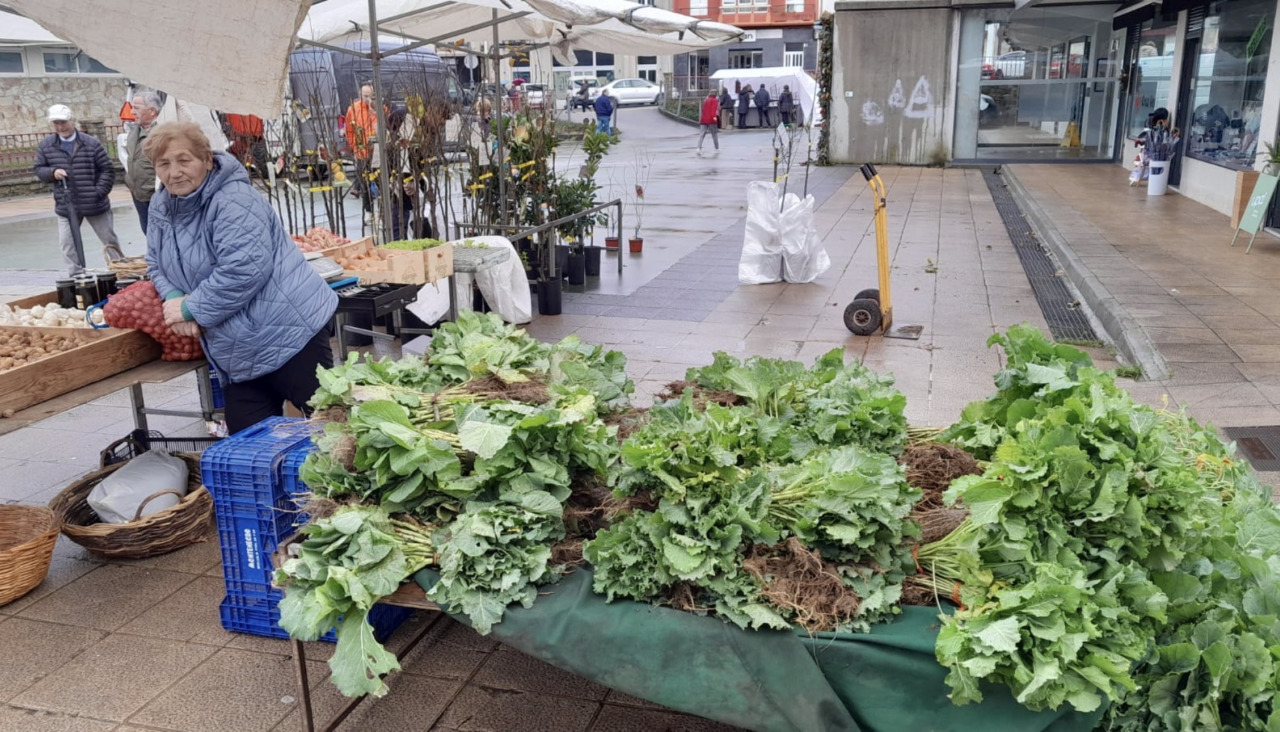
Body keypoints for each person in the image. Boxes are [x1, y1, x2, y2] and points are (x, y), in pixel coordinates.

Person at [144, 122, 338, 434]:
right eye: (163, 164)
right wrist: (173, 297)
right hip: (236, 350)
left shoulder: (233, 199)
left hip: (289, 332)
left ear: (207, 160)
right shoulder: (161, 206)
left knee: (333, 430)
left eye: (184, 160)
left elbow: (244, 269)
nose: (174, 172)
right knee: (250, 447)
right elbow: (155, 262)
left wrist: (190, 308)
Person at [33, 104, 121, 275]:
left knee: (109, 239)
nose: (60, 127)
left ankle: (119, 270)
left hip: (94, 203)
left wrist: (98, 192)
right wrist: (52, 172)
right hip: (66, 204)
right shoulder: (46, 146)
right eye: (56, 123)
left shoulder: (91, 143)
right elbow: (38, 169)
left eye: (63, 122)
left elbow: (107, 170)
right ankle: (76, 276)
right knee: (67, 243)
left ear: (72, 121)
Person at [345, 83, 385, 223]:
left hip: (378, 152)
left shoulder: (379, 107)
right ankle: (369, 212)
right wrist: (355, 147)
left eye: (370, 96)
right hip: (362, 153)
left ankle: (382, 212)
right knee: (364, 184)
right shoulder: (353, 109)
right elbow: (349, 130)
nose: (368, 99)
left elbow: (386, 125)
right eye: (365, 96)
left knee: (381, 183)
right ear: (360, 95)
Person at [124, 91, 161, 233]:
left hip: (156, 195)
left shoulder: (163, 132)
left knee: (162, 235)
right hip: (139, 195)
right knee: (148, 232)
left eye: (137, 108)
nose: (132, 112)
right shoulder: (134, 132)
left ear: (152, 111)